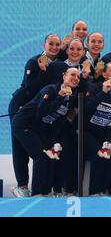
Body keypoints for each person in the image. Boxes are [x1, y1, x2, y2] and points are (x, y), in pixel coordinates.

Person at [11, 68, 80, 196]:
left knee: (50, 156)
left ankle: (46, 192)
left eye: (78, 77)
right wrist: (59, 97)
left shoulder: (70, 98)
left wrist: (50, 142)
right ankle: (36, 194)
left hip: (39, 129)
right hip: (23, 125)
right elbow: (41, 112)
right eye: (72, 75)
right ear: (64, 76)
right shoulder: (51, 90)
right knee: (41, 157)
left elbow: (58, 121)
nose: (75, 78)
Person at [8, 34, 61, 197]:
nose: (54, 47)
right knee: (20, 146)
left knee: (40, 145)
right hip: (21, 106)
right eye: (50, 44)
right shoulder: (34, 61)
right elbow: (30, 89)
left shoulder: (59, 63)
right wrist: (43, 71)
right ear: (44, 44)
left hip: (38, 109)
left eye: (57, 45)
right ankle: (22, 185)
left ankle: (44, 187)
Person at [84, 62, 111, 196]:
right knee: (98, 156)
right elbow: (86, 111)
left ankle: (104, 191)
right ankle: (93, 193)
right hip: (86, 132)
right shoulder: (94, 88)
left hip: (104, 135)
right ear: (104, 74)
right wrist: (103, 93)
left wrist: (109, 140)